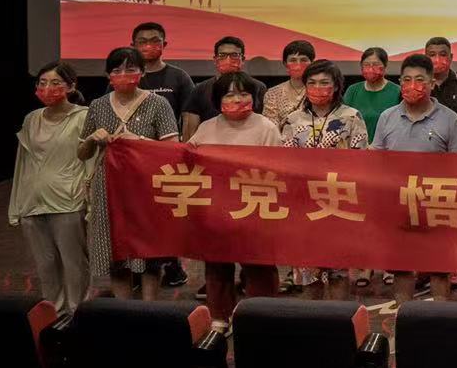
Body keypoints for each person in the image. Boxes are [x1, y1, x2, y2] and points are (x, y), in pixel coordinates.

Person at [78, 47, 180, 301]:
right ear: (108, 75)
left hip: (146, 188)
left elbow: (173, 149)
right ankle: (124, 311)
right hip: (108, 187)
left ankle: (149, 311)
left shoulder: (158, 103)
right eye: (117, 70)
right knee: (116, 252)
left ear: (142, 73)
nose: (124, 74)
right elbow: (81, 153)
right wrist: (92, 138)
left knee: (148, 253)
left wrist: (140, 140)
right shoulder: (98, 105)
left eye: (131, 69)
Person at [372, 53, 457, 303]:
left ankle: (440, 320)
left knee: (439, 270)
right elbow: (376, 160)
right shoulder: (387, 117)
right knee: (402, 270)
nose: (412, 85)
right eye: (406, 80)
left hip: (437, 205)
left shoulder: (449, 119)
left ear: (432, 83)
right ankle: (402, 318)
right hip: (399, 205)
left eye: (419, 80)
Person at [188, 71, 283, 324]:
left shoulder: (266, 127)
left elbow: (279, 169)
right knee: (217, 265)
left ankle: (261, 317)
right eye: (230, 94)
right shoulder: (206, 128)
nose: (237, 99)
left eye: (243, 93)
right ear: (218, 98)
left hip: (255, 206)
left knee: (259, 267)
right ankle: (220, 317)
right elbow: (189, 163)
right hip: (217, 209)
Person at [281, 59, 369, 299]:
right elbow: (284, 162)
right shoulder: (293, 120)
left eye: (324, 83)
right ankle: (312, 319)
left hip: (339, 203)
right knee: (308, 274)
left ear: (336, 86)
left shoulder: (352, 117)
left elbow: (362, 161)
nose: (317, 88)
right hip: (304, 205)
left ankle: (340, 319)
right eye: (312, 83)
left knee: (339, 272)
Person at [11, 61, 91, 321]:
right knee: (45, 264)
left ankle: (77, 313)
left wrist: (89, 200)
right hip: (32, 200)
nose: (48, 88)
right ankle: (54, 314)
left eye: (55, 83)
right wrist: (16, 204)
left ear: (71, 86)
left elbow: (91, 162)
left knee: (73, 262)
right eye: (42, 83)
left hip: (68, 199)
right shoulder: (32, 119)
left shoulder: (84, 116)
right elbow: (22, 163)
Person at [132, 21, 196, 290]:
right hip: (133, 161)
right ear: (133, 45)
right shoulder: (128, 76)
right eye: (142, 41)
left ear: (165, 44)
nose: (148, 45)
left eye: (154, 40)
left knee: (166, 215)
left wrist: (184, 152)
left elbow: (189, 117)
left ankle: (172, 265)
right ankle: (138, 266)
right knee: (137, 215)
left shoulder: (179, 77)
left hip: (167, 159)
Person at [182, 36, 267, 140]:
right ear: (215, 59)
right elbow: (190, 133)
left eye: (234, 55)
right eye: (222, 55)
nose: (228, 60)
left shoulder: (258, 87)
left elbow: (263, 122)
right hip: (211, 145)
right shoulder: (200, 89)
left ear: (243, 59)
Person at [345, 46, 402, 139]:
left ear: (385, 66)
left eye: (375, 64)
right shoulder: (352, 90)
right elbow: (344, 121)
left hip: (387, 145)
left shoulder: (397, 91)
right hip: (356, 145)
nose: (370, 69)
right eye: (366, 65)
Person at [262, 39, 315, 128]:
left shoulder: (319, 90)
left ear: (312, 63)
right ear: (285, 64)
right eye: (293, 60)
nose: (298, 64)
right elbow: (271, 128)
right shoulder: (273, 94)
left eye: (303, 60)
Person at [423, 37, 457, 114]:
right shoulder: (418, 83)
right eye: (432, 55)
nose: (437, 59)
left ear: (451, 57)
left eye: (443, 55)